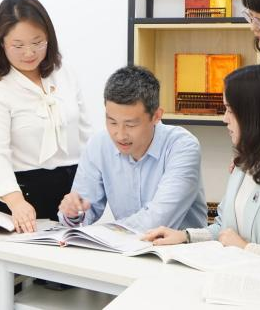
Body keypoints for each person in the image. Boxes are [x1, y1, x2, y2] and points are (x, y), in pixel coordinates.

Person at [143, 65, 260, 261]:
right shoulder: (242, 167)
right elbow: (224, 230)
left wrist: (246, 248)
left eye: (230, 110)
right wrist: (185, 236)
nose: (224, 119)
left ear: (252, 115)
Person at [0, 0, 91, 233]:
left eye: (38, 42)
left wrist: (89, 187)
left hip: (73, 189)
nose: (29, 53)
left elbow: (85, 135)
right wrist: (16, 203)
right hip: (24, 194)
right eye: (18, 46)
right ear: (1, 43)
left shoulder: (65, 73)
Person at [58, 65, 207, 232]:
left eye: (130, 125)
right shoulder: (99, 145)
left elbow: (158, 220)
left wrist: (106, 232)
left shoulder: (182, 146)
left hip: (179, 247)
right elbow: (83, 212)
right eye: (112, 122)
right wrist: (73, 213)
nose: (120, 135)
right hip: (124, 246)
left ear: (156, 116)